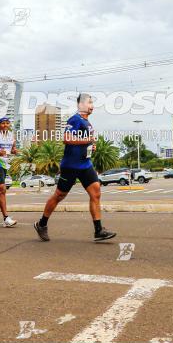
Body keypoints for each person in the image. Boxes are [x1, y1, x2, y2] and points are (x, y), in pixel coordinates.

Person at [34, 93, 116, 242]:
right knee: (59, 195)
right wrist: (87, 140)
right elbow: (67, 138)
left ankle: (99, 230)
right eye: (89, 103)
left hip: (85, 164)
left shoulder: (87, 122)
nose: (92, 106)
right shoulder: (75, 119)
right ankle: (42, 224)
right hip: (71, 166)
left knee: (96, 193)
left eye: (92, 103)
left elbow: (85, 141)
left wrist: (91, 145)